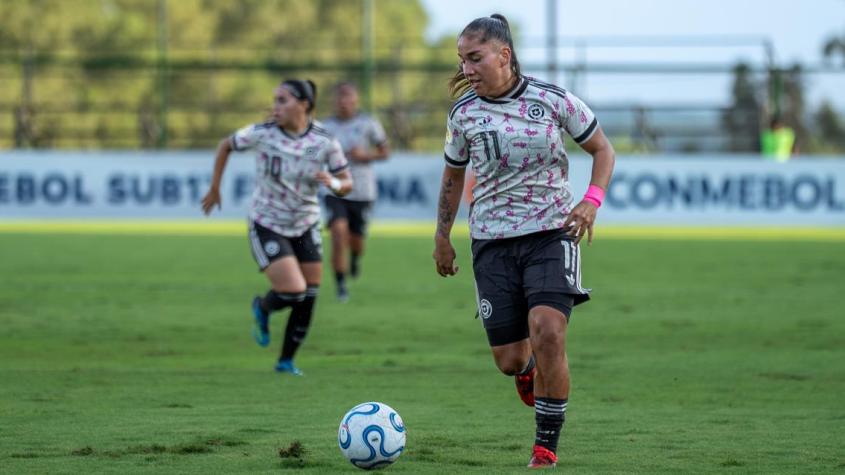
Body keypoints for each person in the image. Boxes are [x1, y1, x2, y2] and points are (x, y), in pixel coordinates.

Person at [432, 14, 615, 469]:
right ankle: (527, 371)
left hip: (552, 234)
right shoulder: (463, 114)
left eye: (474, 58)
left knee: (549, 332)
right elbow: (453, 177)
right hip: (492, 242)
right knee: (510, 360)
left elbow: (602, 150)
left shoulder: (552, 101)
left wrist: (591, 201)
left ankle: (545, 448)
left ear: (504, 55)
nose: (466, 69)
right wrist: (442, 237)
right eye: (462, 59)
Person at [201, 79, 352, 376]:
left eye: (282, 100)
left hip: (305, 223)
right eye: (275, 100)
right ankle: (263, 306)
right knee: (294, 290)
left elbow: (347, 183)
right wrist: (215, 187)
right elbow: (225, 145)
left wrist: (333, 183)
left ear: (304, 104)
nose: (276, 106)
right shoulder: (262, 133)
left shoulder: (324, 140)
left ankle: (286, 361)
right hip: (268, 222)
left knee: (309, 295)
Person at [321, 82, 390, 302]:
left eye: (348, 98)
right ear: (334, 101)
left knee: (357, 241)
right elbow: (310, 148)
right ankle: (340, 284)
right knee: (338, 233)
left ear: (355, 100)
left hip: (362, 190)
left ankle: (355, 257)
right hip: (335, 189)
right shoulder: (325, 126)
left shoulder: (368, 123)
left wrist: (365, 156)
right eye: (339, 98)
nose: (343, 102)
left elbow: (385, 151)